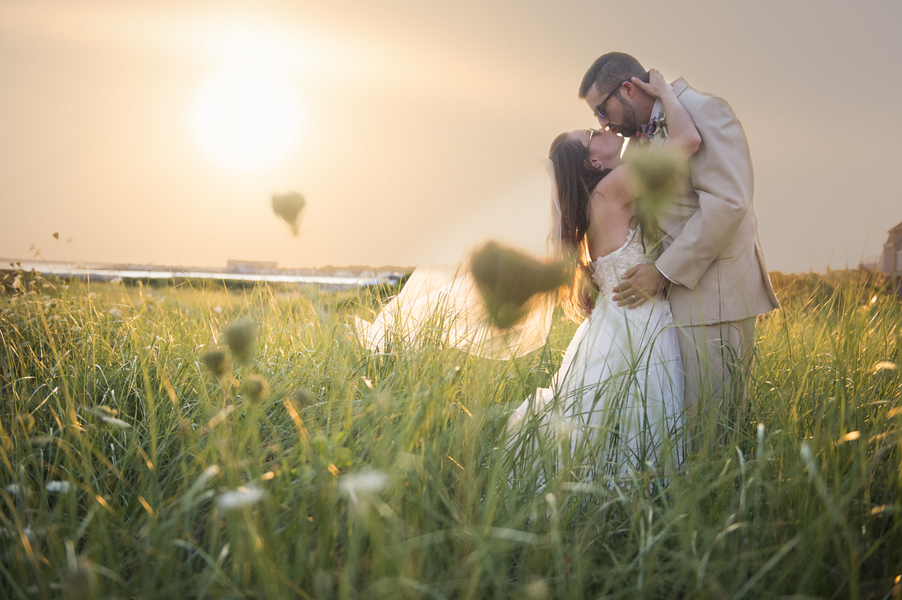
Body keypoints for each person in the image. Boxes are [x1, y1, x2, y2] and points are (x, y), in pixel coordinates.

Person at [505, 70, 699, 478]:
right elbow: (687, 143)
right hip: (639, 322)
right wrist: (664, 89)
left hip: (615, 322)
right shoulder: (611, 190)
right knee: (639, 426)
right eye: (591, 136)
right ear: (594, 160)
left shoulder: (598, 199)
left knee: (605, 424)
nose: (602, 129)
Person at [578, 53, 780, 443]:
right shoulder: (638, 140)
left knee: (712, 434)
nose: (603, 123)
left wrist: (663, 270)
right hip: (670, 306)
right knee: (679, 435)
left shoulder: (705, 111)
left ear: (628, 89)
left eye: (602, 110)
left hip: (715, 300)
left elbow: (728, 202)